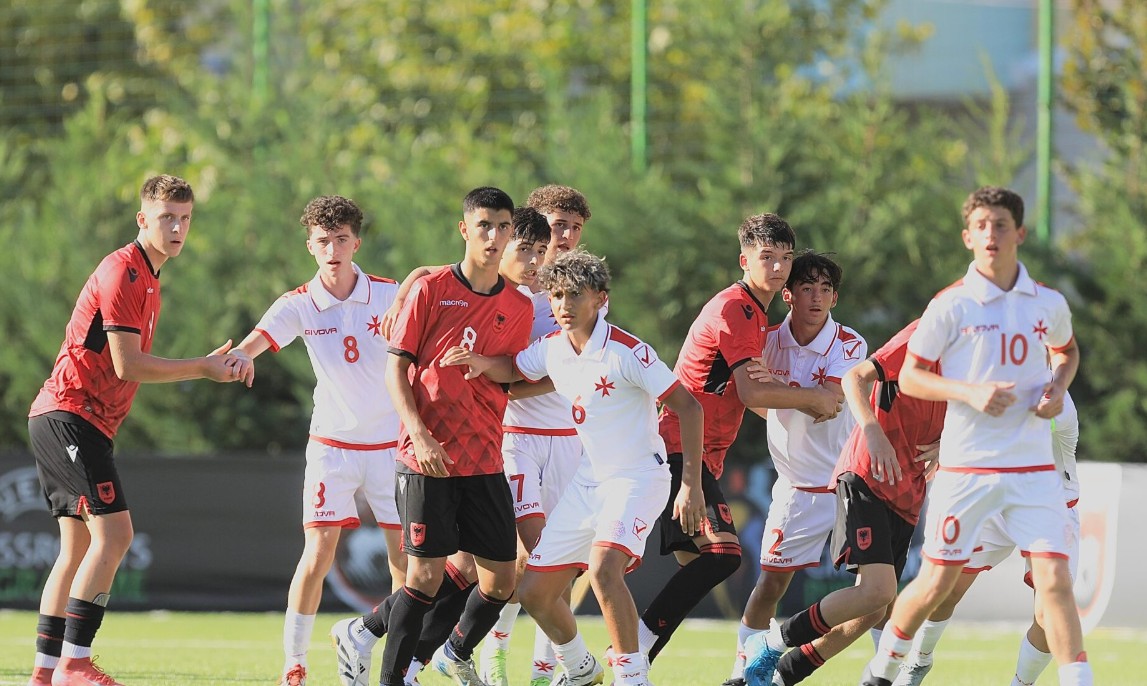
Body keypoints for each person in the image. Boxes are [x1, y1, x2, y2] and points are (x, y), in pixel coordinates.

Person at [441, 248, 706, 686]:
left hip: (639, 478)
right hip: (589, 482)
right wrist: (483, 363)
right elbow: (514, 371)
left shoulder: (628, 352)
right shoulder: (553, 349)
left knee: (603, 569)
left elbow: (689, 406)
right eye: (557, 295)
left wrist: (690, 486)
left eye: (574, 295)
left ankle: (632, 678)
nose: (563, 306)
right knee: (534, 592)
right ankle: (582, 668)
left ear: (601, 299)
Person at [859, 186, 1090, 686]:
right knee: (937, 584)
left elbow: (1067, 352)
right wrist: (969, 392)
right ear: (968, 237)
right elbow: (914, 376)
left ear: (1020, 234)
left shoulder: (1048, 303)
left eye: (1001, 225)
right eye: (981, 226)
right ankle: (883, 672)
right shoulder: (950, 306)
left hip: (1032, 476)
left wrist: (1058, 384)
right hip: (969, 471)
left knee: (1056, 587)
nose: (991, 234)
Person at [25, 174, 249, 686]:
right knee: (116, 534)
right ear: (142, 220)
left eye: (185, 218)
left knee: (77, 550)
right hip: (71, 416)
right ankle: (75, 665)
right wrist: (203, 367)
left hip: (71, 420)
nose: (177, 227)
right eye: (166, 217)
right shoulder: (125, 271)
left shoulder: (148, 278)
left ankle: (43, 674)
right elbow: (128, 365)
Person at [329, 186, 533, 686]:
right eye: (483, 225)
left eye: (502, 227)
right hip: (428, 459)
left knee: (503, 579)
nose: (493, 236)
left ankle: (394, 638)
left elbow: (513, 373)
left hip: (484, 458)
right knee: (423, 576)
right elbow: (395, 370)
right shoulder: (431, 288)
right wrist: (418, 434)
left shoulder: (519, 308)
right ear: (465, 229)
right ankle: (392, 679)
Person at [638, 214, 843, 666]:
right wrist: (814, 398)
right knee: (724, 555)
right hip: (678, 447)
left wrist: (800, 401)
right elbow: (752, 391)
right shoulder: (738, 308)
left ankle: (634, 663)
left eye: (785, 258)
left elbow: (753, 395)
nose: (777, 267)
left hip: (699, 453)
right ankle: (629, 655)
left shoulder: (755, 313)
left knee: (702, 566)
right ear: (744, 259)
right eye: (766, 257)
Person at [224, 195, 407, 686]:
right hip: (332, 446)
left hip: (391, 446)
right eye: (323, 241)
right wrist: (238, 358)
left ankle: (396, 662)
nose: (333, 249)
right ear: (310, 245)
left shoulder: (390, 294)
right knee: (318, 552)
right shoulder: (299, 303)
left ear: (356, 243)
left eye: (341, 239)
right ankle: (294, 663)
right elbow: (253, 343)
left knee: (404, 562)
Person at [739, 319, 945, 686]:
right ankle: (771, 643)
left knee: (874, 606)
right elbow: (855, 379)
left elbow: (974, 418)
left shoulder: (984, 363)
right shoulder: (925, 332)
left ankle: (786, 673)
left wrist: (946, 444)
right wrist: (872, 431)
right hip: (868, 474)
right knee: (877, 592)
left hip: (908, 488)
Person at [732, 252, 869, 686]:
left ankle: (797, 668)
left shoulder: (850, 344)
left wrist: (774, 391)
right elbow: (752, 398)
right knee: (769, 588)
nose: (816, 298)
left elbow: (829, 404)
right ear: (787, 293)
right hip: (798, 489)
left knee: (875, 600)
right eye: (807, 288)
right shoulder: (767, 340)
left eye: (825, 289)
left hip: (852, 484)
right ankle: (742, 675)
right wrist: (784, 404)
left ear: (836, 297)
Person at [893, 391, 1080, 686]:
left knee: (1048, 615)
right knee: (947, 590)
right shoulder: (997, 374)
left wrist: (956, 442)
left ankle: (1021, 683)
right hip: (994, 501)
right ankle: (918, 661)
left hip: (1050, 508)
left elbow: (1015, 429)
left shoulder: (1056, 400)